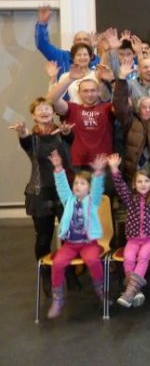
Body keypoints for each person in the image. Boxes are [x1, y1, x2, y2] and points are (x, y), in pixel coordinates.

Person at [11, 98, 74, 296]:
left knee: (69, 235)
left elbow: (70, 139)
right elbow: (24, 139)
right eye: (40, 109)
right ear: (33, 115)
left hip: (63, 191)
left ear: (53, 112)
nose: (45, 111)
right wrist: (22, 132)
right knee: (44, 238)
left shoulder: (62, 133)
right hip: (40, 192)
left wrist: (67, 133)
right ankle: (46, 275)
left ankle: (70, 271)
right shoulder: (31, 138)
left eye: (47, 108)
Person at [107, 153, 150, 308]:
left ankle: (129, 291)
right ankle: (135, 290)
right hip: (133, 240)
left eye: (146, 181)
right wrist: (114, 169)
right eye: (139, 181)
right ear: (134, 185)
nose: (143, 184)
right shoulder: (130, 199)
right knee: (128, 258)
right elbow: (120, 186)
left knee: (143, 256)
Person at [46, 151, 107, 319]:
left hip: (88, 244)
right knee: (58, 263)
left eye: (82, 183)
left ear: (89, 188)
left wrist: (98, 173)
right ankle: (58, 298)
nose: (78, 186)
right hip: (70, 245)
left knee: (93, 260)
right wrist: (58, 168)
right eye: (76, 183)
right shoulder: (69, 200)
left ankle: (101, 291)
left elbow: (97, 189)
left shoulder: (92, 201)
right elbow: (62, 186)